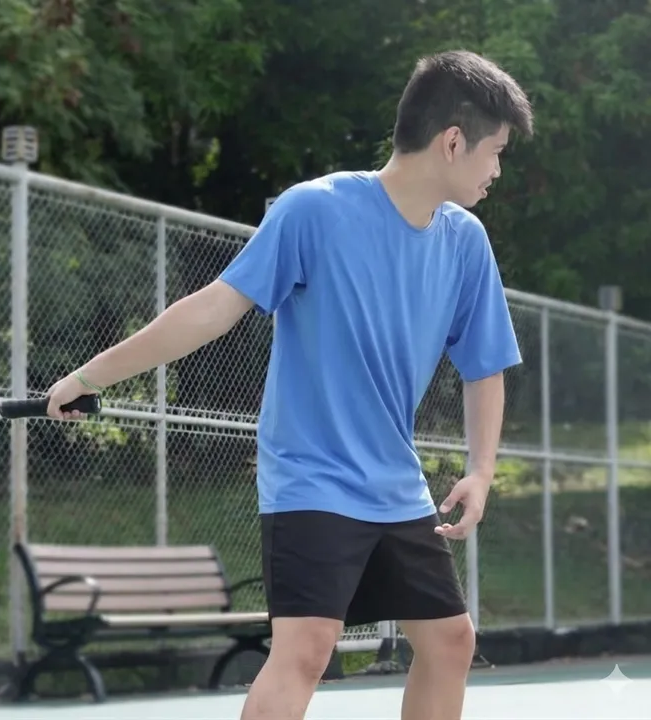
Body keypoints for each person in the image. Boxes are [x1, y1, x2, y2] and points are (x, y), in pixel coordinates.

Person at [46, 49, 533, 720]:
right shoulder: (315, 210)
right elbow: (213, 309)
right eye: (496, 152)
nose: (497, 170)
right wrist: (87, 375)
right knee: (306, 648)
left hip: (396, 487)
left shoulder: (465, 243)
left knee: (451, 642)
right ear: (454, 142)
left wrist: (481, 471)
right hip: (312, 478)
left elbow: (484, 366)